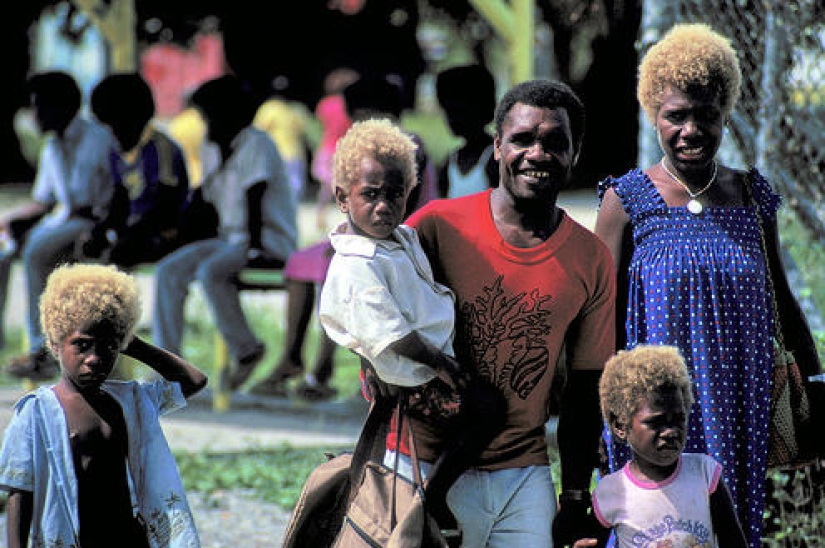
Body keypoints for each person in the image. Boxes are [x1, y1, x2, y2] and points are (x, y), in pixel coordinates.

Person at [592, 23, 821, 548]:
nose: (691, 130)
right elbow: (600, 316)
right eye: (676, 116)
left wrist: (816, 381)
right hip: (653, 411)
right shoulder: (626, 200)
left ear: (726, 113)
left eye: (707, 115)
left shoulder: (751, 196)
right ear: (654, 114)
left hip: (738, 398)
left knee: (731, 523)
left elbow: (780, 299)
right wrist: (601, 418)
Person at [396, 79, 617, 548]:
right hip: (420, 464)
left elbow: (583, 389)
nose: (537, 153)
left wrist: (575, 497)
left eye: (555, 142)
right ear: (497, 146)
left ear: (576, 154)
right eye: (522, 139)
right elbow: (373, 298)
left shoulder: (590, 258)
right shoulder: (436, 226)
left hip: (523, 476)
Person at [317, 117, 478, 532]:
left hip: (424, 366)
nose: (383, 206)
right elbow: (390, 331)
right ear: (341, 197)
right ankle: (434, 495)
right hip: (413, 374)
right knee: (484, 412)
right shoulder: (356, 263)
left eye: (394, 194)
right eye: (370, 195)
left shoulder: (399, 239)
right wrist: (441, 363)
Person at [248, 73, 438, 399]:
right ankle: (291, 357)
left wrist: (351, 240)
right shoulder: (365, 150)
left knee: (338, 267)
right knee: (299, 263)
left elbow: (398, 208)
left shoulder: (406, 145)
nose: (363, 123)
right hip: (365, 234)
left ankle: (320, 370)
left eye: (369, 115)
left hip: (402, 237)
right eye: (358, 116)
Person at [0, 263, 208, 548]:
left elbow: (194, 380)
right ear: (56, 343)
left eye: (108, 347)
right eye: (82, 345)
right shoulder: (37, 412)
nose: (95, 358)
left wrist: (132, 342)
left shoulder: (130, 401)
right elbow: (20, 490)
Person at [151, 74, 297, 389]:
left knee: (210, 271)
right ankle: (167, 364)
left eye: (209, 115)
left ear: (232, 115)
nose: (206, 123)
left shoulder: (257, 143)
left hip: (265, 239)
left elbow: (254, 196)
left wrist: (256, 249)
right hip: (229, 239)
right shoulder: (212, 146)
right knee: (169, 271)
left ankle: (246, 349)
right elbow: (204, 200)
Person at [0, 70, 117, 378]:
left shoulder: (97, 139)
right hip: (62, 220)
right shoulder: (52, 146)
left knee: (38, 249)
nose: (34, 115)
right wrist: (8, 220)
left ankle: (43, 350)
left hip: (92, 222)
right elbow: (45, 200)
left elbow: (93, 202)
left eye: (39, 106)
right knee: (2, 248)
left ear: (63, 106)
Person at [571, 345, 747, 548]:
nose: (671, 432)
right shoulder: (612, 491)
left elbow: (734, 541)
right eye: (656, 422)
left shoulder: (704, 473)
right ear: (621, 426)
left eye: (679, 419)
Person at [84, 72, 190, 268]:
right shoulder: (116, 150)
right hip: (134, 229)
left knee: (118, 256)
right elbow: (120, 200)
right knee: (89, 248)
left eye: (112, 122)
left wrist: (132, 232)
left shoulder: (161, 148)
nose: (111, 131)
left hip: (164, 230)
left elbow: (166, 205)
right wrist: (104, 228)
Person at [435, 64, 498, 198]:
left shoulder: (496, 160)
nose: (451, 119)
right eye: (448, 112)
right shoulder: (450, 162)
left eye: (458, 111)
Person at [311, 66, 359, 232]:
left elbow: (321, 126)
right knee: (349, 187)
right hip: (345, 150)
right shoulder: (349, 105)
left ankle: (320, 216)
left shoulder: (324, 104)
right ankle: (351, 219)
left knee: (326, 188)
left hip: (327, 148)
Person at [253, 89, 311, 201]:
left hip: (277, 155)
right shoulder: (295, 109)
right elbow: (303, 130)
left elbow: (257, 130)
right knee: (295, 187)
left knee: (277, 189)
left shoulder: (268, 108)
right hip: (295, 154)